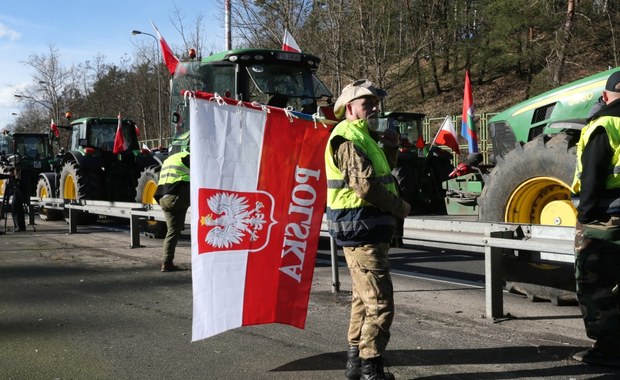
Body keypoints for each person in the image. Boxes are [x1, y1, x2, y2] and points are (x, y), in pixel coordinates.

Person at [324, 79, 411, 380]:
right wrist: (400, 206)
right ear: (350, 108)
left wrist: (390, 149)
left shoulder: (365, 137)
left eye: (375, 103)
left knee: (364, 300)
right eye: (367, 103)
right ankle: (371, 370)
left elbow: (379, 174)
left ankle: (355, 364)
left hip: (367, 229)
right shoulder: (347, 137)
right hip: (360, 229)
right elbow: (365, 186)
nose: (374, 107)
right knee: (381, 303)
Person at [570, 70, 620, 367]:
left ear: (605, 97)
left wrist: (584, 215)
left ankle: (609, 347)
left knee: (594, 282)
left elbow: (591, 176)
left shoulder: (604, 125)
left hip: (606, 218)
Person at [154, 151, 190, 272]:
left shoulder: (170, 158)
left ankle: (167, 263)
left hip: (162, 198)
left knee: (172, 231)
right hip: (176, 197)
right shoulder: (188, 157)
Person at [0, 166, 27, 233]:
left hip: (18, 192)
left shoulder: (20, 176)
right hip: (19, 191)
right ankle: (20, 227)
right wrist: (8, 176)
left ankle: (19, 227)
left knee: (15, 208)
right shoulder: (22, 175)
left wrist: (8, 176)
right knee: (17, 208)